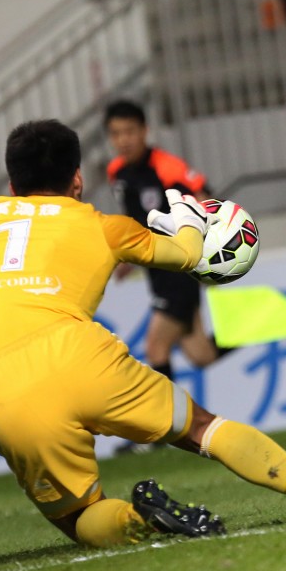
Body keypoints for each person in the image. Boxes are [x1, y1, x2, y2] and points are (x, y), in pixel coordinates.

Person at [0, 120, 286, 548]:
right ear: (77, 180)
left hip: (3, 391)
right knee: (202, 427)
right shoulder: (105, 227)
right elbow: (187, 256)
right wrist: (188, 222)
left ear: (12, 185)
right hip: (81, 359)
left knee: (76, 516)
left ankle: (143, 519)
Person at [104, 100, 228, 386]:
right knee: (201, 354)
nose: (123, 140)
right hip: (156, 273)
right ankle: (274, 323)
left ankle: (171, 427)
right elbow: (134, 218)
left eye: (130, 132)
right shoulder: (116, 172)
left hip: (179, 270)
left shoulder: (167, 167)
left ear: (145, 131)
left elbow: (207, 201)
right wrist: (127, 258)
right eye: (116, 133)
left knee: (156, 347)